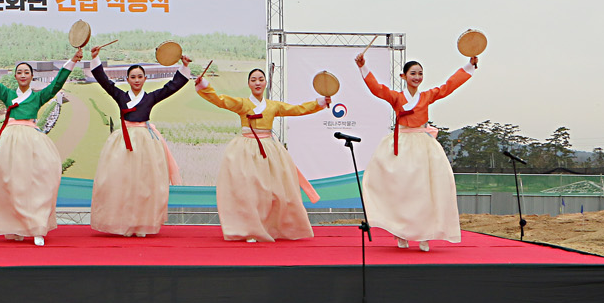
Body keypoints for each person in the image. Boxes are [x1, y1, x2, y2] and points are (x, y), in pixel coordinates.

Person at [353, 49, 478, 251]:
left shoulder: (427, 96)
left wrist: (469, 66)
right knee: (401, 190)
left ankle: (424, 234)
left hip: (422, 146)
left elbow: (449, 86)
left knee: (424, 191)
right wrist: (363, 66)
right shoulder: (396, 97)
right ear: (403, 76)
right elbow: (377, 89)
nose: (417, 77)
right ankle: (401, 233)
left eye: (420, 73)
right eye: (413, 73)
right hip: (401, 145)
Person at [0, 38, 84, 245]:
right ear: (15, 76)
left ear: (31, 76)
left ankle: (37, 227)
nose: (22, 75)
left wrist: (73, 61)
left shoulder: (38, 97)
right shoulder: (7, 94)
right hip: (9, 142)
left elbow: (56, 84)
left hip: (32, 141)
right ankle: (14, 226)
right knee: (10, 184)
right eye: (19, 72)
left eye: (26, 72)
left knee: (36, 184)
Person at [194, 67, 331, 242]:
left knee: (273, 192)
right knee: (249, 192)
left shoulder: (273, 106)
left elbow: (297, 109)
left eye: (260, 79)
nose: (257, 83)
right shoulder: (242, 104)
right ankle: (251, 229)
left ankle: (270, 227)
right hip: (246, 151)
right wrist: (204, 85)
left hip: (269, 151)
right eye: (253, 80)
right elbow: (220, 100)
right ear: (248, 84)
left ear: (266, 83)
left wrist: (320, 102)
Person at [87, 46, 191, 237]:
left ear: (145, 79)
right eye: (133, 77)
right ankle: (124, 223)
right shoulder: (120, 95)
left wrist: (184, 67)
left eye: (140, 77)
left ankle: (141, 224)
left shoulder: (151, 97)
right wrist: (95, 58)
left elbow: (171, 87)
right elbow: (104, 81)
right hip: (123, 143)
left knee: (144, 184)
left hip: (145, 144)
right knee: (122, 182)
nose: (136, 80)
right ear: (127, 79)